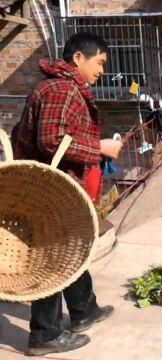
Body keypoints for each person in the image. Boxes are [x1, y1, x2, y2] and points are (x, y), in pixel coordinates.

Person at [11, 33, 121, 356]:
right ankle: (44, 335)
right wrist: (100, 148)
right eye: (99, 63)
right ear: (78, 59)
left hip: (53, 186)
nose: (102, 71)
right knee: (54, 257)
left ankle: (84, 310)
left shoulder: (60, 86)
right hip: (48, 190)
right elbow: (50, 139)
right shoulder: (62, 88)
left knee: (74, 246)